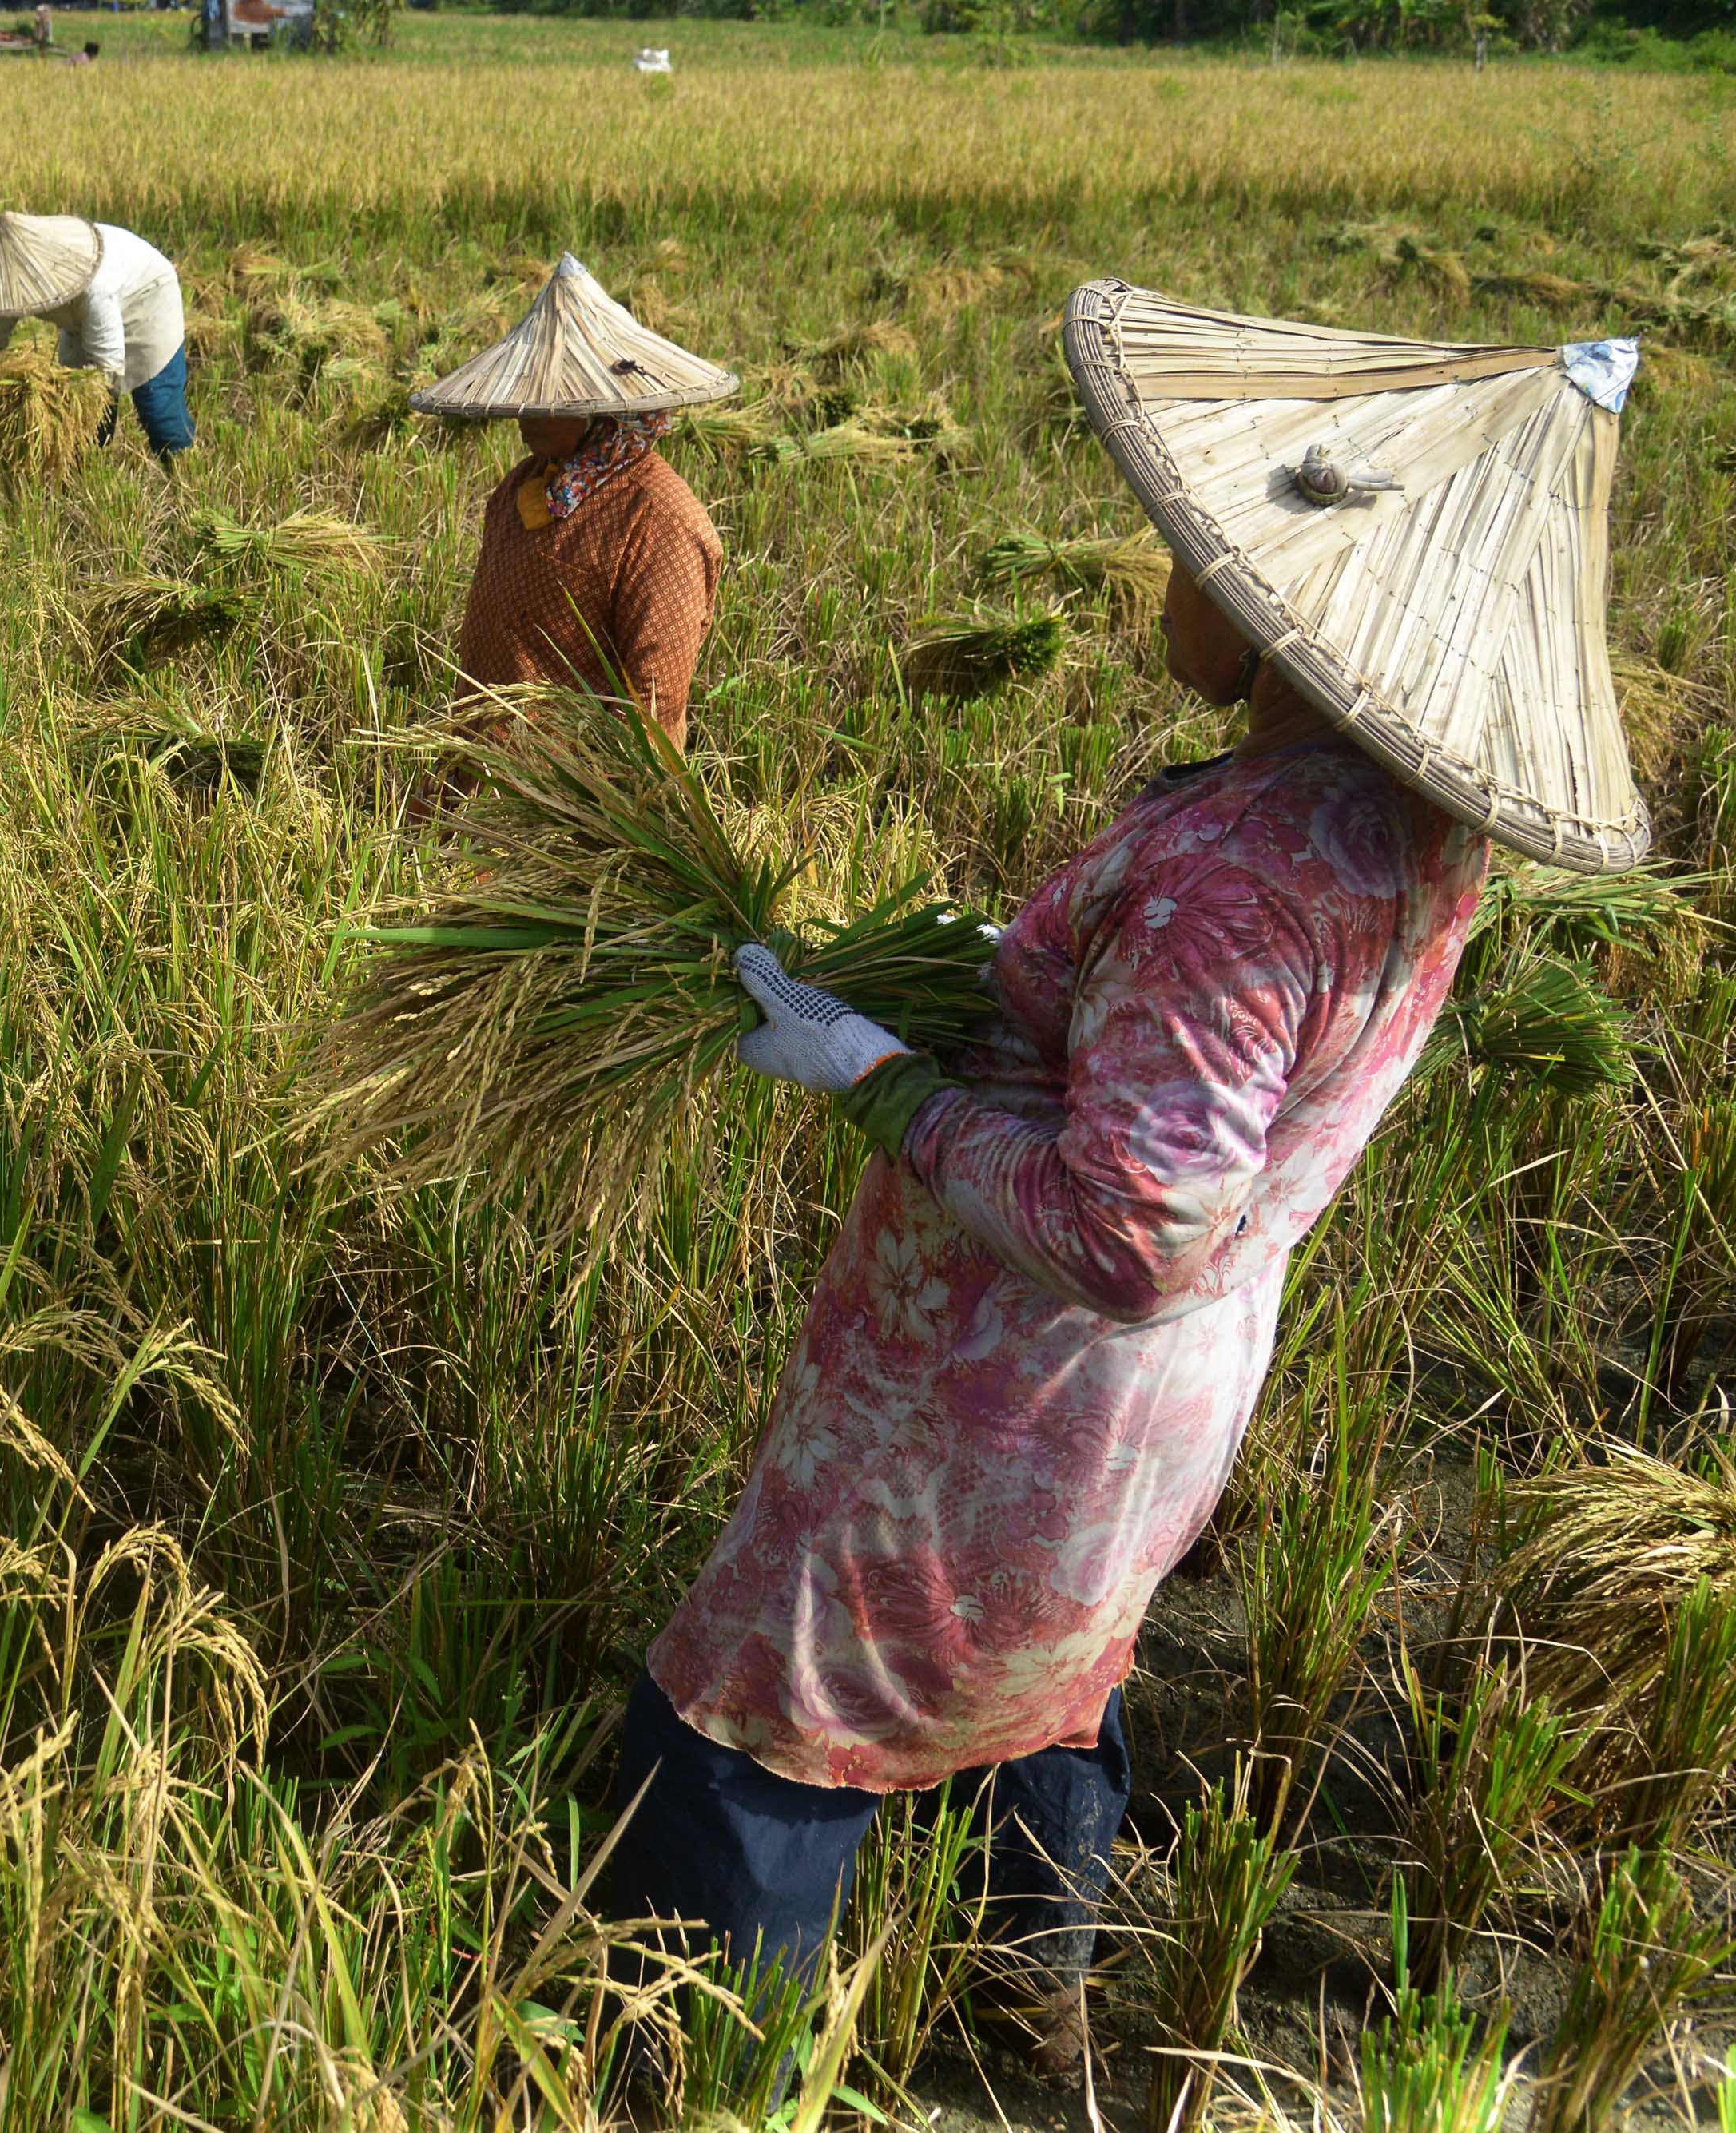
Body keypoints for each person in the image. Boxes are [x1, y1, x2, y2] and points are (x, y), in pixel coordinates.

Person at [599, 283, 1651, 2073]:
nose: (1159, 570)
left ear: (1274, 621)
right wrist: (1008, 984)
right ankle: (1035, 1983)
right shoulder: (1395, 822)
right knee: (1049, 1663)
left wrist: (881, 1084)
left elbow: (1131, 1228)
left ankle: (694, 2066)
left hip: (1003, 1399)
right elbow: (1194, 1104)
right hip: (1149, 1414)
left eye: (1190, 554)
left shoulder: (1237, 882)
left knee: (759, 1710)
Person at [407, 254, 731, 749]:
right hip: (481, 771)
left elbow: (654, 704)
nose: (525, 410)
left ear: (599, 411)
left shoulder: (658, 521)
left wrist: (616, 808)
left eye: (548, 397)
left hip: (570, 793)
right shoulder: (525, 485)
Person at [0, 212, 194, 464]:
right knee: (75, 417)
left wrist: (90, 402)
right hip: (80, 319)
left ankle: (182, 470)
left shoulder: (93, 286)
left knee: (157, 407)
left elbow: (107, 363)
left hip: (147, 298)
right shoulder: (5, 280)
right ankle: (90, 469)